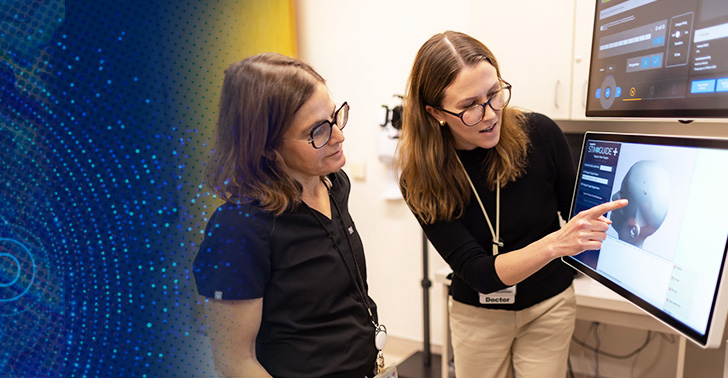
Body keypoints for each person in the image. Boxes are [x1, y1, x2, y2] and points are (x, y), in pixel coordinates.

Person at [397, 31, 628, 378]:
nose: (489, 114)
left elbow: (581, 218)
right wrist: (557, 243)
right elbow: (479, 274)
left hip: (549, 306)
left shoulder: (541, 135)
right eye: (469, 106)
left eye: (493, 95)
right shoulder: (421, 178)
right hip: (477, 315)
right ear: (435, 113)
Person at [193, 53, 382, 378]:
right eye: (318, 131)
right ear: (266, 147)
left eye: (335, 117)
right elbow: (235, 363)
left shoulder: (333, 183)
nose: (338, 136)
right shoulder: (238, 229)